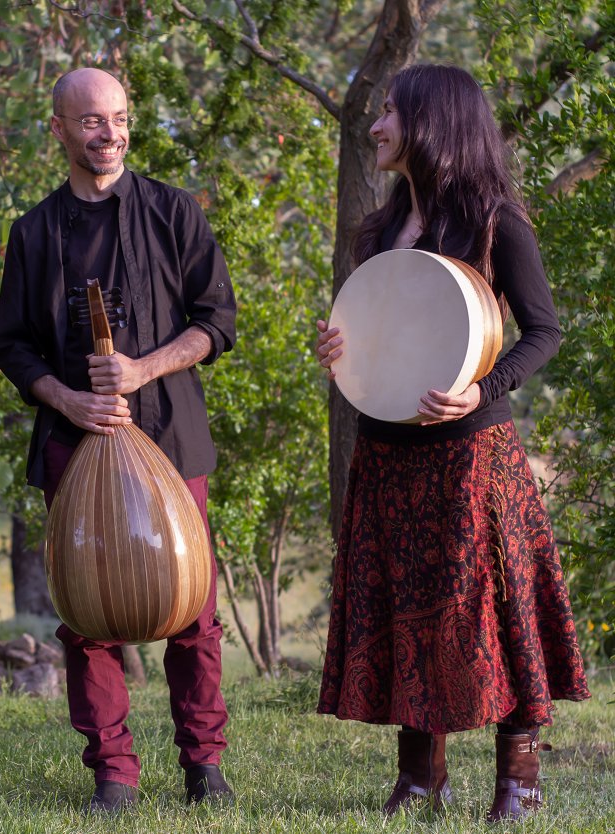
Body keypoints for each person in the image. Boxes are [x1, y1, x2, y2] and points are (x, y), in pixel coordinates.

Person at [314, 64, 590, 823]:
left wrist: (482, 389)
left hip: (471, 455)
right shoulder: (379, 227)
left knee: (493, 612)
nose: (376, 126)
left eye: (390, 113)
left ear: (432, 122)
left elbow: (544, 332)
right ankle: (420, 778)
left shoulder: (497, 221)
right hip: (386, 447)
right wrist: (341, 348)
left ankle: (520, 780)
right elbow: (383, 327)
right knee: (409, 606)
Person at [0, 68, 237, 813]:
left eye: (121, 118)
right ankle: (114, 774)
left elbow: (217, 321)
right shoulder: (34, 232)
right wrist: (67, 398)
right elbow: (13, 347)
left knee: (191, 608)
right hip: (76, 442)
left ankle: (204, 765)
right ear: (60, 129)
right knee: (87, 613)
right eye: (93, 121)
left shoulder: (173, 213)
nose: (110, 134)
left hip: (170, 436)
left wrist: (142, 370)